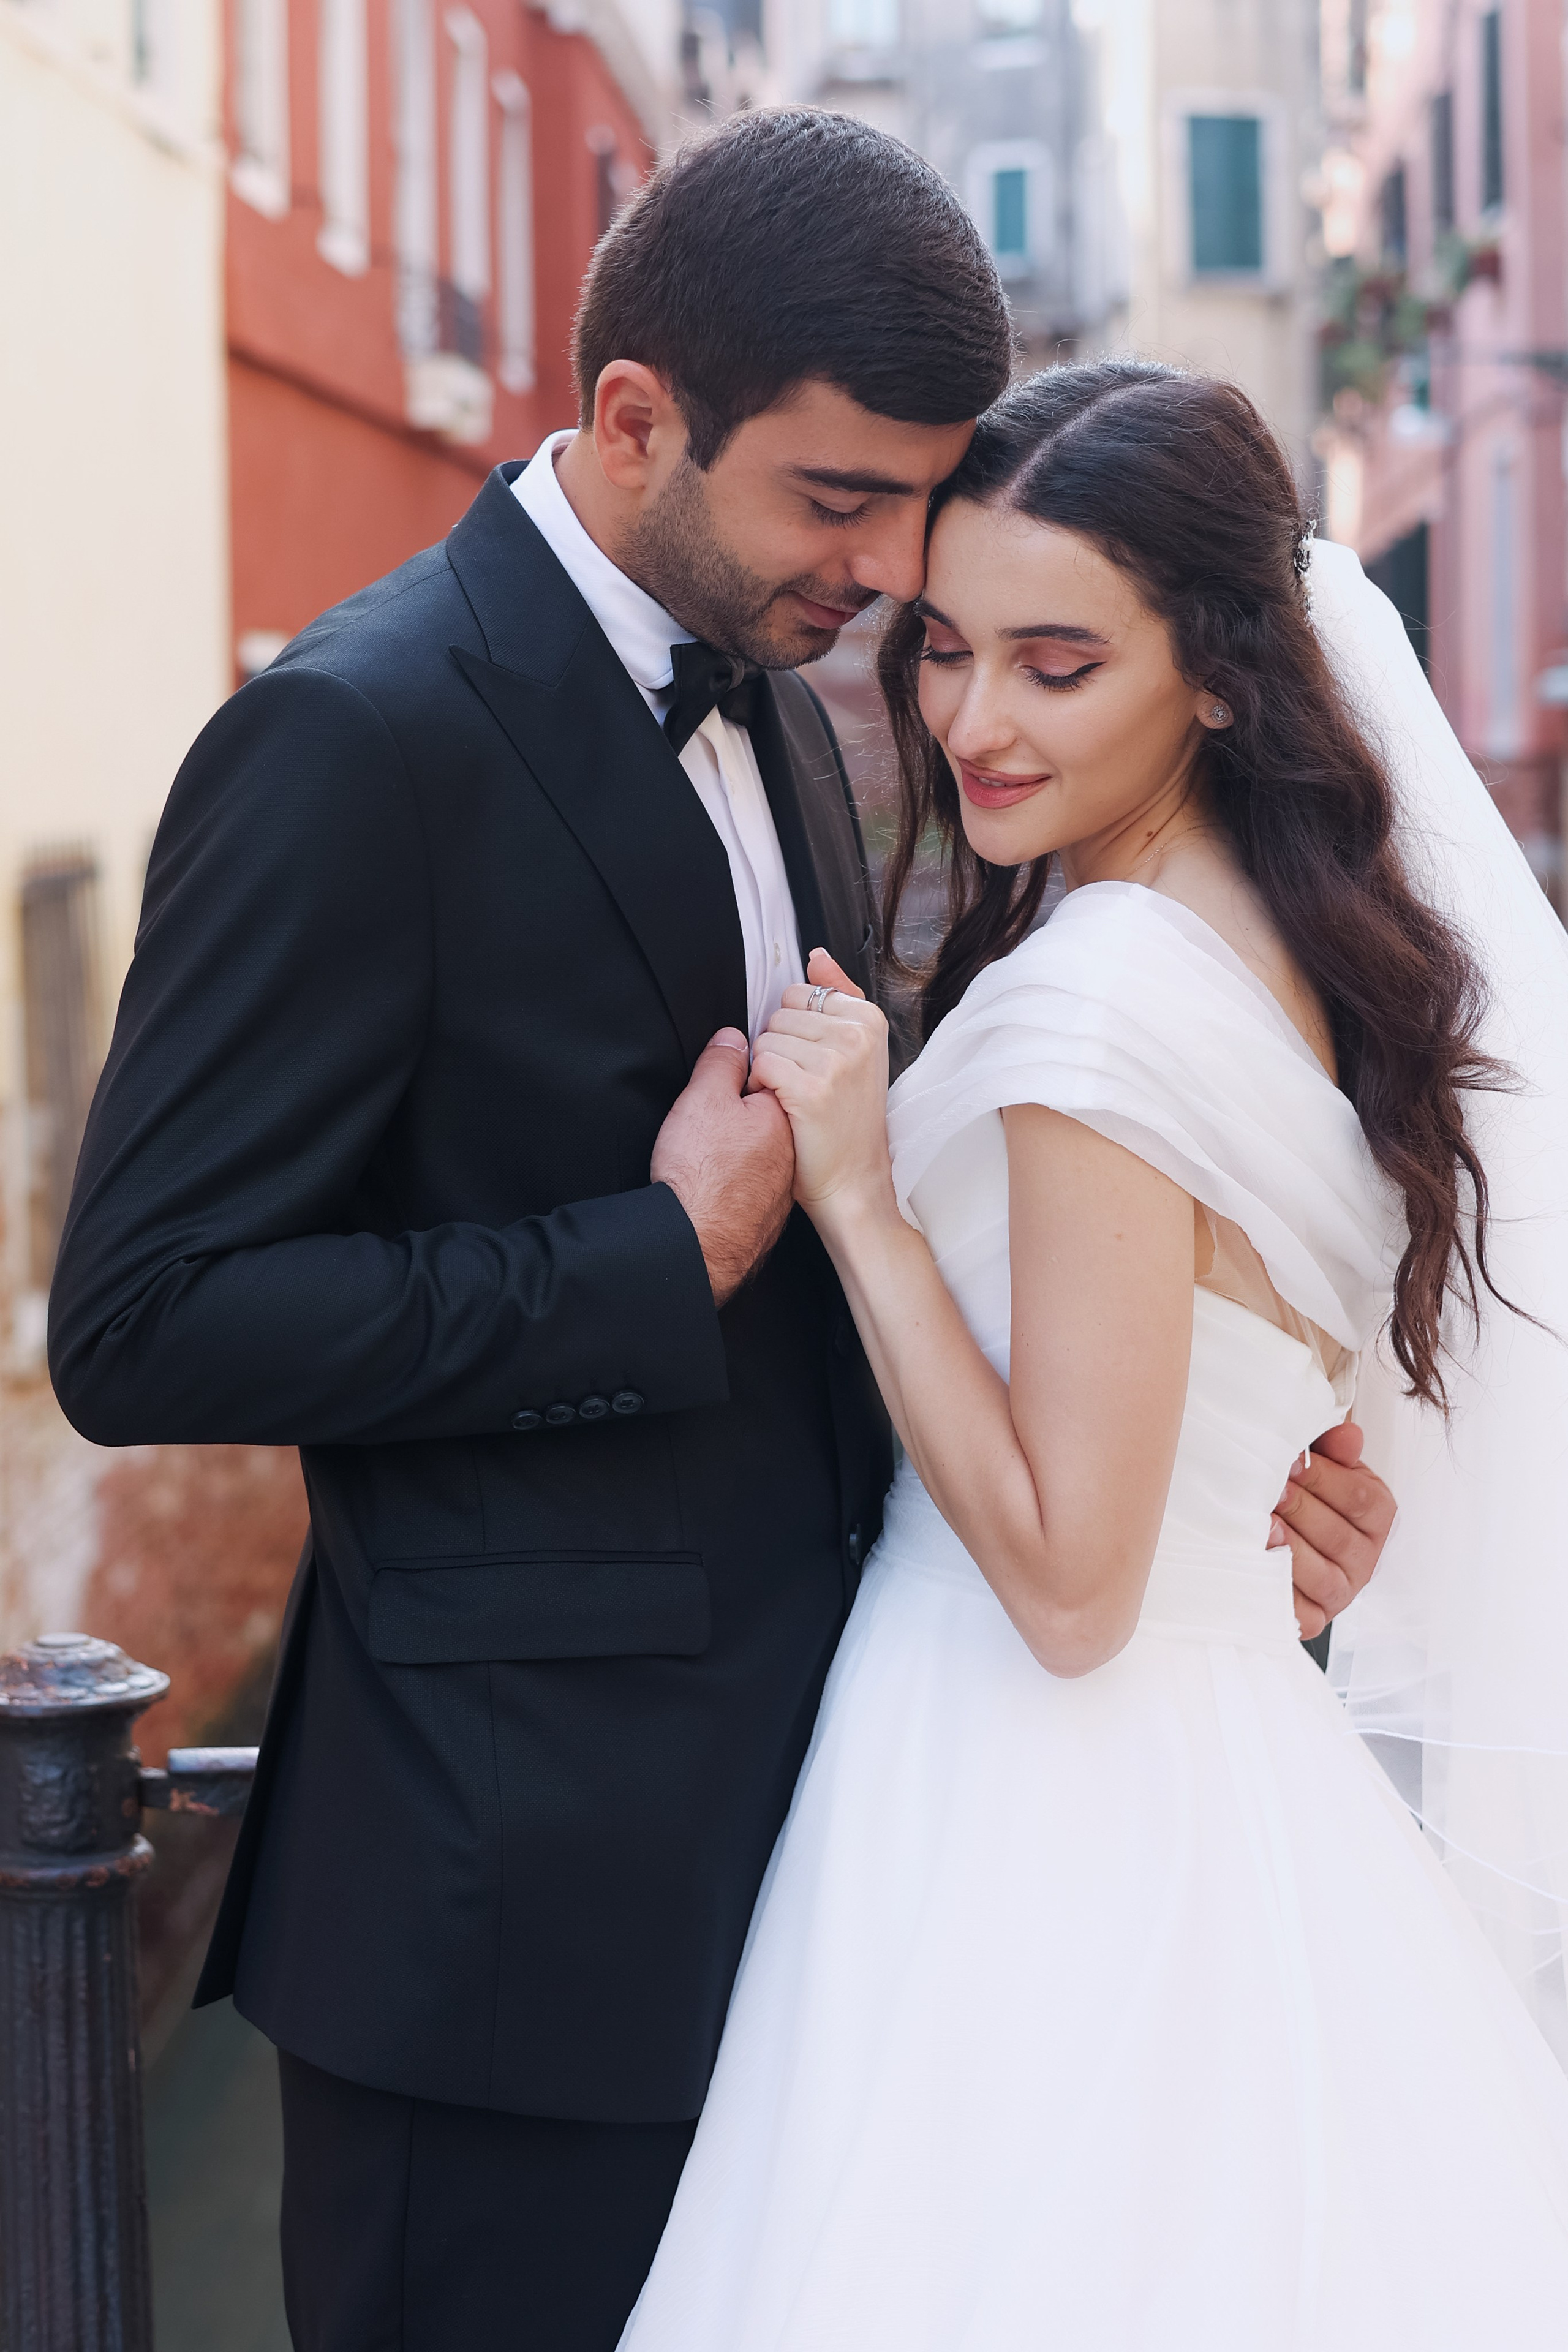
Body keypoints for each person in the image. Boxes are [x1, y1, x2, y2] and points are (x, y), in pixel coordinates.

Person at [48, 119, 1392, 2351]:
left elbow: (883, 1240)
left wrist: (1214, 1495)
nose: (888, 574)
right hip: (511, 1943)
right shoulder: (346, 738)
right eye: (839, 501)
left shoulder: (797, 690)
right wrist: (648, 1262)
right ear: (633, 417)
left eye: (917, 508)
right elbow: (144, 1319)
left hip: (852, 1872)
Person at [617, 363, 1568, 2351]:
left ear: (1218, 674)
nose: (972, 719)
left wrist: (860, 1194)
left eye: (1058, 665)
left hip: (1028, 1771)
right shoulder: (1279, 945)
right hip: (1234, 1758)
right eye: (947, 648)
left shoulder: (1106, 1001)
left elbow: (1064, 1585)